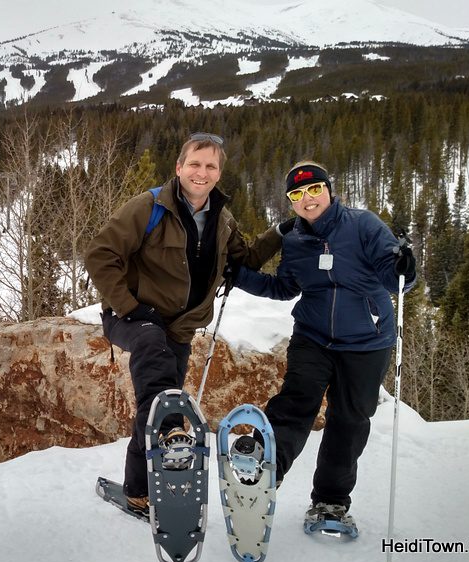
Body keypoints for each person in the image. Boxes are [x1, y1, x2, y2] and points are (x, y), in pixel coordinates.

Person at [85, 132, 284, 514]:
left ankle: (138, 490)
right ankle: (173, 430)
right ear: (179, 168)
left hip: (179, 327)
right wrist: (128, 306)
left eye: (211, 166)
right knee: (158, 376)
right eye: (195, 163)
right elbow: (99, 254)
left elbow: (244, 261)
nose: (202, 172)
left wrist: (280, 234)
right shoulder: (148, 208)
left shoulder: (221, 219)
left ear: (218, 174)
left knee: (154, 402)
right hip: (133, 317)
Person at [231, 160, 416, 531]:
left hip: (367, 340)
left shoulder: (363, 225)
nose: (307, 198)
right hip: (313, 336)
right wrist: (237, 276)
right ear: (290, 202)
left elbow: (395, 278)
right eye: (297, 194)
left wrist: (403, 268)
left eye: (314, 189)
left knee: (349, 421)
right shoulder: (295, 240)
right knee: (297, 399)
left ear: (330, 190)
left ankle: (330, 502)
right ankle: (265, 468)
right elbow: (284, 287)